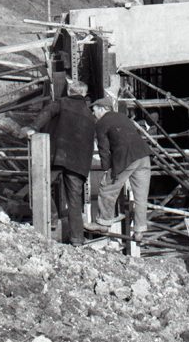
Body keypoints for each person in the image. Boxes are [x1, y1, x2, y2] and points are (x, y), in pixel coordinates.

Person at [26, 79, 95, 246]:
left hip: (58, 156)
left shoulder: (62, 103)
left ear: (70, 92)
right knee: (74, 201)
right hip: (78, 164)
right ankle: (77, 240)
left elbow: (47, 112)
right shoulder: (90, 115)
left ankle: (52, 217)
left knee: (40, 186)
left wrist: (33, 127)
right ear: (84, 94)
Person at [86, 97, 152, 239]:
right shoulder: (123, 117)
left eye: (95, 109)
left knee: (107, 188)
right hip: (144, 156)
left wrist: (106, 169)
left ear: (103, 109)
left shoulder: (102, 123)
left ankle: (103, 223)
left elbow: (103, 148)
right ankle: (140, 230)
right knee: (141, 196)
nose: (93, 113)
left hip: (126, 158)